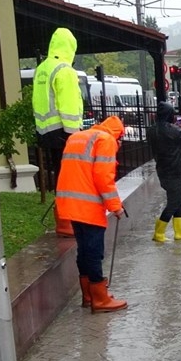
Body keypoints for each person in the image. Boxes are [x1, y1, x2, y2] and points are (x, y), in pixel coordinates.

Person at [55, 115, 128, 313]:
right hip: (88, 204)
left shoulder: (77, 137)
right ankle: (100, 299)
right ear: (118, 134)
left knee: (84, 250)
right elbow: (103, 177)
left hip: (70, 203)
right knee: (94, 252)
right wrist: (115, 206)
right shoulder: (106, 141)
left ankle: (89, 295)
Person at [32, 27, 83, 238]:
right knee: (69, 179)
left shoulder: (43, 68)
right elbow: (69, 105)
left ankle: (61, 220)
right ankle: (68, 222)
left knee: (59, 177)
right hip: (64, 133)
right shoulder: (65, 71)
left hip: (45, 131)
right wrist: (75, 134)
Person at [147, 102, 181, 242]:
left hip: (162, 170)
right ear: (169, 115)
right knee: (175, 202)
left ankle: (179, 232)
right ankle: (159, 232)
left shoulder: (151, 130)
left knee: (179, 201)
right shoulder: (175, 131)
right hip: (175, 170)